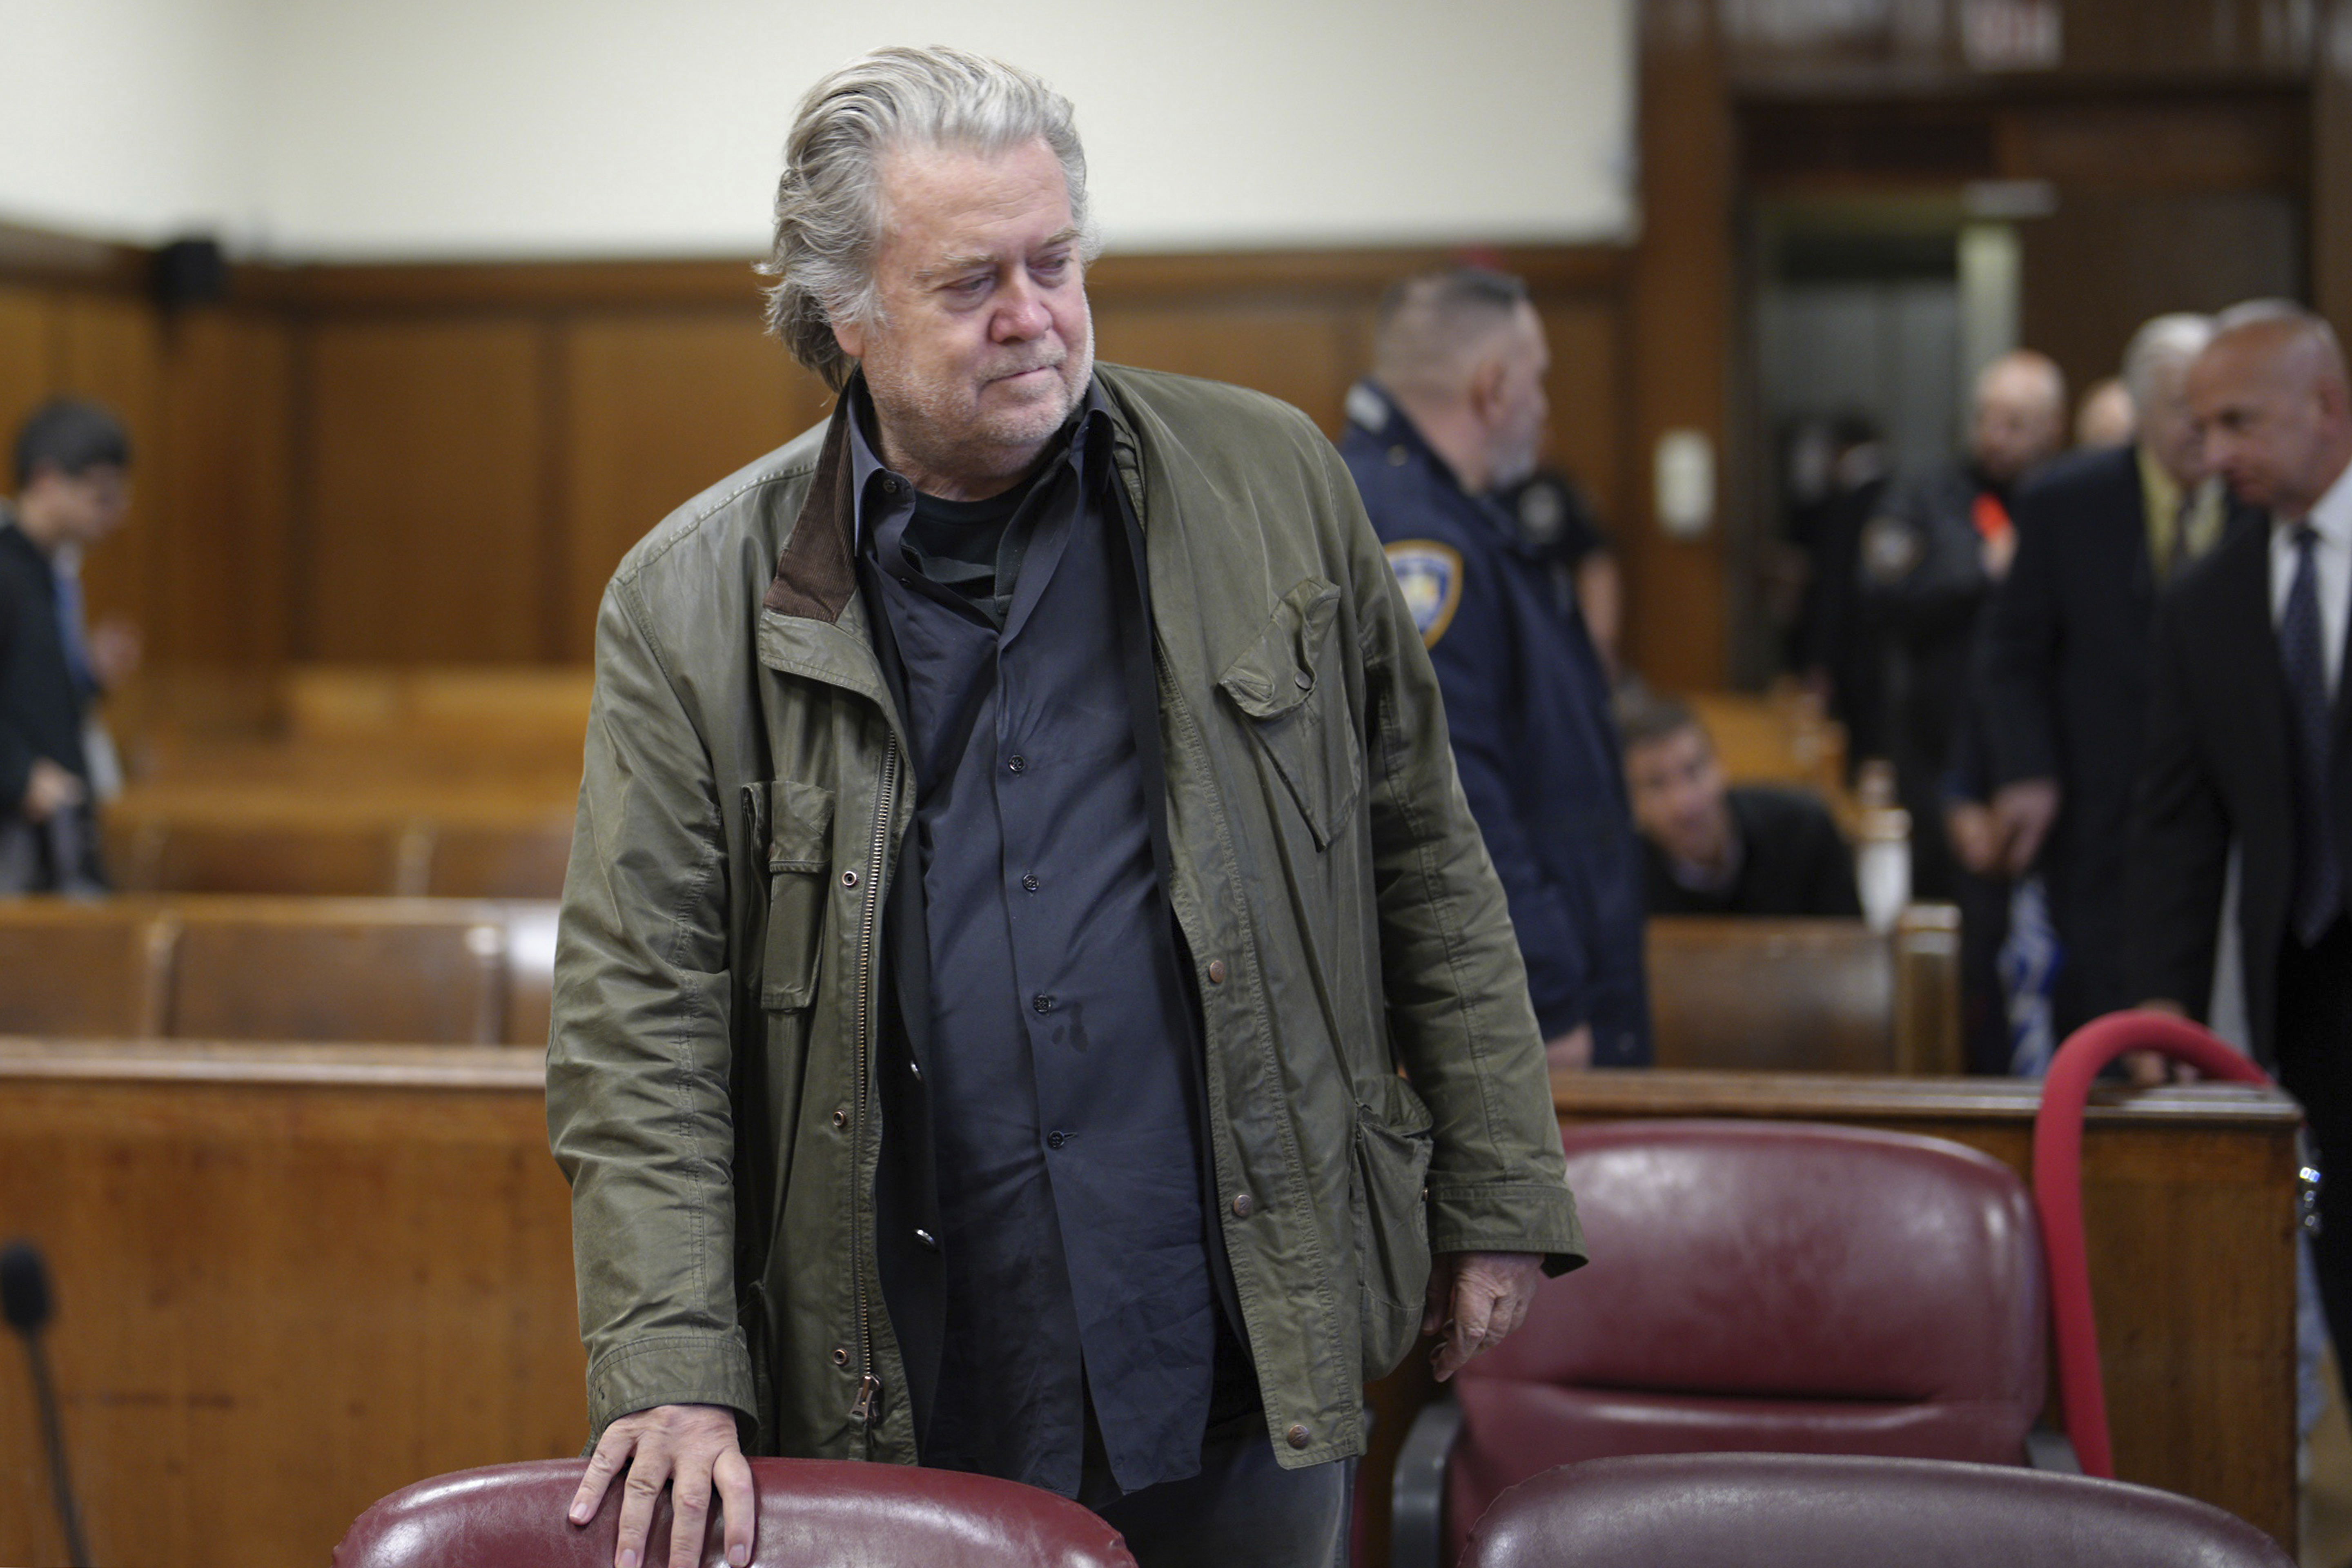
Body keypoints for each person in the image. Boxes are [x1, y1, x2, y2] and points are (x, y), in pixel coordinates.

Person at [546, 48, 1583, 1568]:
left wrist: (1497, 1182)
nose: (1033, 315)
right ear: (847, 314)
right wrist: (672, 1364)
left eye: (1056, 261)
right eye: (972, 281)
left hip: (1234, 1348)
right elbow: (641, 1017)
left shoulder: (1274, 486)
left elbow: (1421, 844)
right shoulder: (689, 601)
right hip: (904, 1381)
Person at [1338, 268, 1650, 1071]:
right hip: (1517, 1018)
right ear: (1495, 386)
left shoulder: (1427, 509)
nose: (1543, 408)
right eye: (1538, 380)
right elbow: (1452, 795)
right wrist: (1547, 999)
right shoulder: (1419, 537)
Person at [2125, 301, 2352, 1363]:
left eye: (2240, 424)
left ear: (2327, 408)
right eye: (2201, 426)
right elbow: (2177, 820)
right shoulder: (2206, 601)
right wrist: (2163, 995)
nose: (2213, 455)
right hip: (2305, 995)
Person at [1981, 314, 2252, 1043]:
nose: (2202, 428)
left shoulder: (2254, 498)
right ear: (2138, 410)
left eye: (2217, 408)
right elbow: (2011, 652)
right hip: (2097, 803)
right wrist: (2026, 771)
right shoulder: (2065, 500)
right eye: (2182, 407)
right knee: (2101, 1016)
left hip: (2230, 809)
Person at [1860, 349, 2067, 902]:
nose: (1994, 437)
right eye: (1985, 419)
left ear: (2053, 428)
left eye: (2014, 424)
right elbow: (1880, 594)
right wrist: (1977, 573)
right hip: (1936, 736)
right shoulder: (1924, 495)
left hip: (2044, 750)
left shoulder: (2070, 502)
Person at [0, 399, 133, 894]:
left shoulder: (50, 574)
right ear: (47, 481)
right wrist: (19, 775)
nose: (117, 514)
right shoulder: (6, 572)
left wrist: (90, 678)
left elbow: (31, 703)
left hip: (50, 828)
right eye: (102, 496)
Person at [1618, 694, 1860, 919]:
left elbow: (1854, 942)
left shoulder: (1805, 831)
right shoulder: (1622, 876)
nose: (1683, 803)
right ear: (1632, 803)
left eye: (1694, 771)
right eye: (1656, 784)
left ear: (1720, 767)